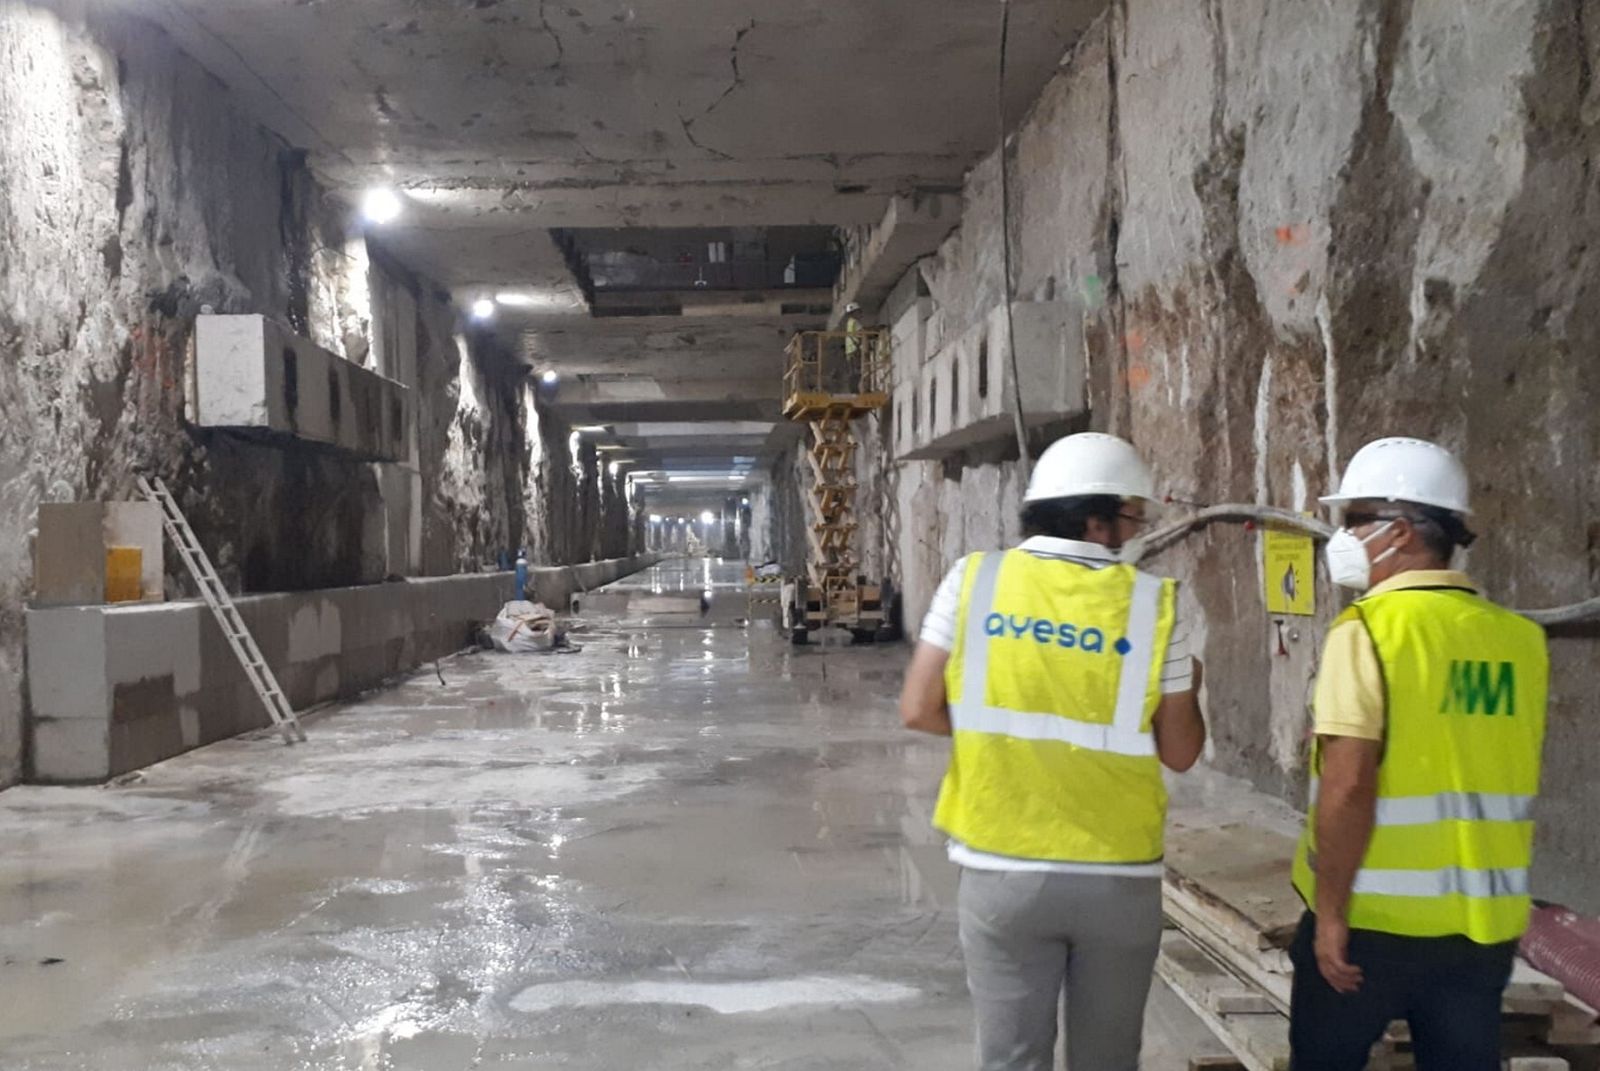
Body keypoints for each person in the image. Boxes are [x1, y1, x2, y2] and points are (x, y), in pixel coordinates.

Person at [899, 432, 1206, 1071]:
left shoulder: (973, 580)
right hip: (1118, 876)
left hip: (1001, 865)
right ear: (1096, 520)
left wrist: (993, 726)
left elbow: (919, 709)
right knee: (1108, 1059)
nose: (1135, 532)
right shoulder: (1154, 608)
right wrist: (1189, 688)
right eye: (1131, 517)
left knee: (1011, 1057)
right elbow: (1181, 751)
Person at [1290, 437, 1550, 1071]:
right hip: (1479, 931)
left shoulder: (1370, 632)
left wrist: (1328, 918)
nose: (1340, 536)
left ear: (1400, 532)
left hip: (1370, 928)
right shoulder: (1520, 640)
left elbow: (1349, 785)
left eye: (1353, 520)